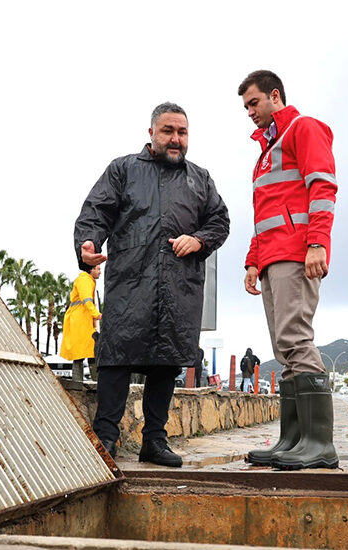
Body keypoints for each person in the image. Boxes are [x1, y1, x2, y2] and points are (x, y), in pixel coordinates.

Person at [74, 102, 229, 467]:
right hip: (131, 279)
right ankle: (106, 437)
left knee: (166, 363)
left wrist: (200, 240)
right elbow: (96, 212)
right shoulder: (123, 169)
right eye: (168, 131)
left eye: (182, 132)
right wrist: (88, 244)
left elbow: (220, 221)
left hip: (180, 285)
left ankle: (154, 442)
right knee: (116, 358)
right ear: (151, 134)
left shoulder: (200, 178)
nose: (175, 139)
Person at [238, 70, 338, 470]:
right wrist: (252, 259)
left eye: (253, 103)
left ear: (274, 95)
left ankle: (319, 445)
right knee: (283, 348)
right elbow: (263, 212)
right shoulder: (264, 154)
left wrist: (317, 243)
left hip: (297, 254)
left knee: (296, 339)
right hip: (271, 259)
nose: (249, 112)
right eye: (245, 106)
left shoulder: (303, 128)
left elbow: (323, 186)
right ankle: (293, 441)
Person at [60, 264, 102, 383]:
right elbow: (86, 300)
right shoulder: (85, 280)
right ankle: (80, 383)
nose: (100, 272)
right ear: (92, 269)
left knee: (91, 352)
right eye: (98, 269)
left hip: (83, 320)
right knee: (82, 354)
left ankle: (95, 382)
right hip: (79, 321)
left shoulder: (87, 280)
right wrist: (96, 314)